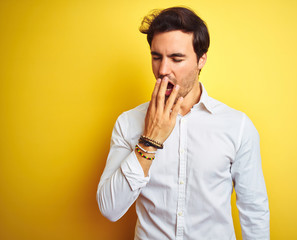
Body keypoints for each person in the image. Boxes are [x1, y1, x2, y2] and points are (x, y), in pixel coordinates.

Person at [97, 6, 269, 240]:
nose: (163, 70)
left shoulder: (237, 126)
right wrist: (150, 141)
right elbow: (110, 208)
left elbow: (254, 211)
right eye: (156, 57)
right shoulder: (128, 123)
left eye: (176, 58)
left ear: (201, 60)